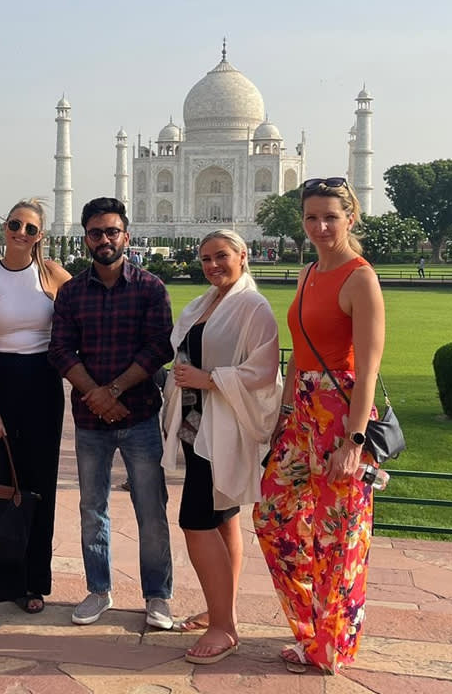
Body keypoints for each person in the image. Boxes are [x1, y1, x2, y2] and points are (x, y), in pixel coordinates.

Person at [254, 177, 386, 675]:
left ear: (351, 217)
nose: (321, 226)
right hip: (304, 412)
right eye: (312, 217)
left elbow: (367, 370)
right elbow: (299, 355)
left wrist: (354, 442)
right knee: (273, 516)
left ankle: (332, 646)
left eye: (331, 217)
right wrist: (284, 415)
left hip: (342, 414)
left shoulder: (360, 278)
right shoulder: (308, 272)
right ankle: (311, 627)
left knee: (339, 533)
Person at [48, 196, 176, 630]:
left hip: (139, 415)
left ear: (126, 235)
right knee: (92, 508)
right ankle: (98, 590)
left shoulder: (150, 288)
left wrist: (115, 390)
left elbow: (158, 347)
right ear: (85, 238)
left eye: (111, 231)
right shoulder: (72, 292)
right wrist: (97, 395)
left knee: (151, 509)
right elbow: (60, 350)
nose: (104, 239)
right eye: (96, 233)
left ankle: (157, 596)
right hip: (91, 420)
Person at [161, 230, 282, 665]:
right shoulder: (205, 303)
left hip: (224, 429)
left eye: (221, 256)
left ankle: (223, 628)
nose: (213, 265)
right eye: (206, 258)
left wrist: (209, 379)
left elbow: (263, 370)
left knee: (196, 522)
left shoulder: (252, 306)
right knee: (223, 517)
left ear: (243, 256)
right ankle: (220, 611)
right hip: (199, 427)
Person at [0, 199, 71, 632]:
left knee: (37, 487)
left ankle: (30, 582)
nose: (20, 233)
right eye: (14, 224)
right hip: (0, 384)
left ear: (40, 234)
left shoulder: (54, 276)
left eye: (30, 228)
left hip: (44, 386)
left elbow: (82, 319)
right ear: (4, 227)